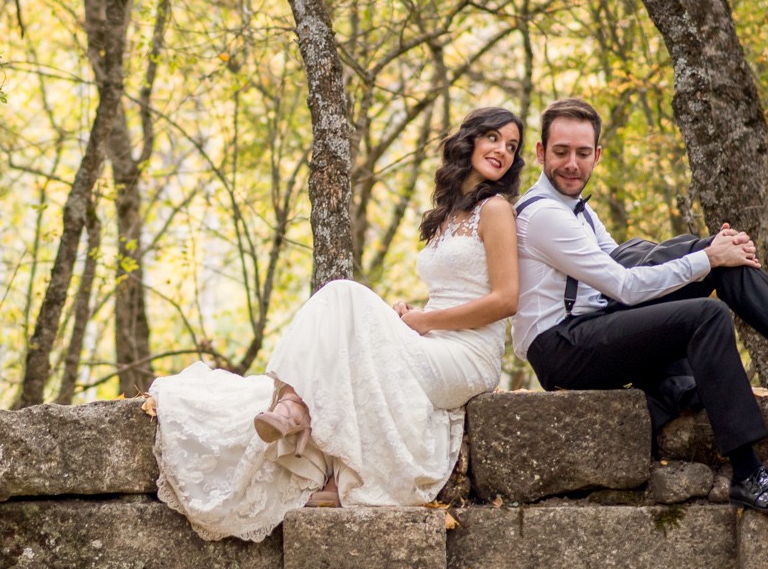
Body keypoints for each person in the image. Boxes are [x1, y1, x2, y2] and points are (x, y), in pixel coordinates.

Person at [514, 97, 768, 512]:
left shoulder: (578, 208)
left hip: (593, 328)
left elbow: (620, 262)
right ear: (541, 152)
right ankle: (747, 473)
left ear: (597, 155)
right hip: (562, 349)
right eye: (561, 152)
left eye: (582, 153)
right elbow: (626, 287)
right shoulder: (545, 215)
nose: (572, 164)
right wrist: (705, 256)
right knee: (706, 310)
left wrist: (710, 253)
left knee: (714, 264)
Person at [149, 106, 524, 542]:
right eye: (494, 138)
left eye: (512, 146)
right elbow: (455, 289)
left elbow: (504, 299)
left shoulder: (496, 210)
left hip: (466, 358)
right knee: (345, 315)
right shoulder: (448, 215)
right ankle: (308, 432)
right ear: (471, 140)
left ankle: (295, 408)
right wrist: (409, 314)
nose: (502, 151)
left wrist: (424, 320)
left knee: (344, 294)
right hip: (432, 340)